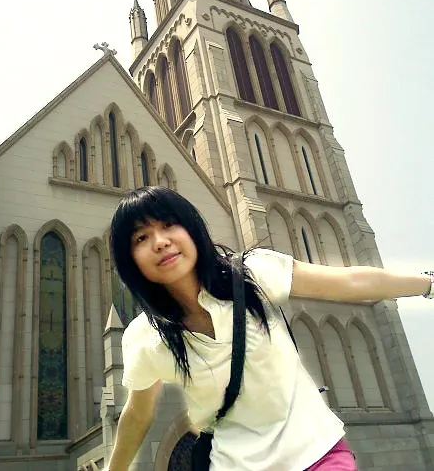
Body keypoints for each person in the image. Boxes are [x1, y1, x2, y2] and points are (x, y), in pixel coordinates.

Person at [108, 186, 433, 471]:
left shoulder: (253, 274)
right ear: (130, 260)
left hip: (317, 452)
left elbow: (351, 281)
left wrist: (427, 284)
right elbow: (137, 415)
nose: (160, 242)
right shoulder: (145, 338)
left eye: (168, 225)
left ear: (191, 228)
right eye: (141, 237)